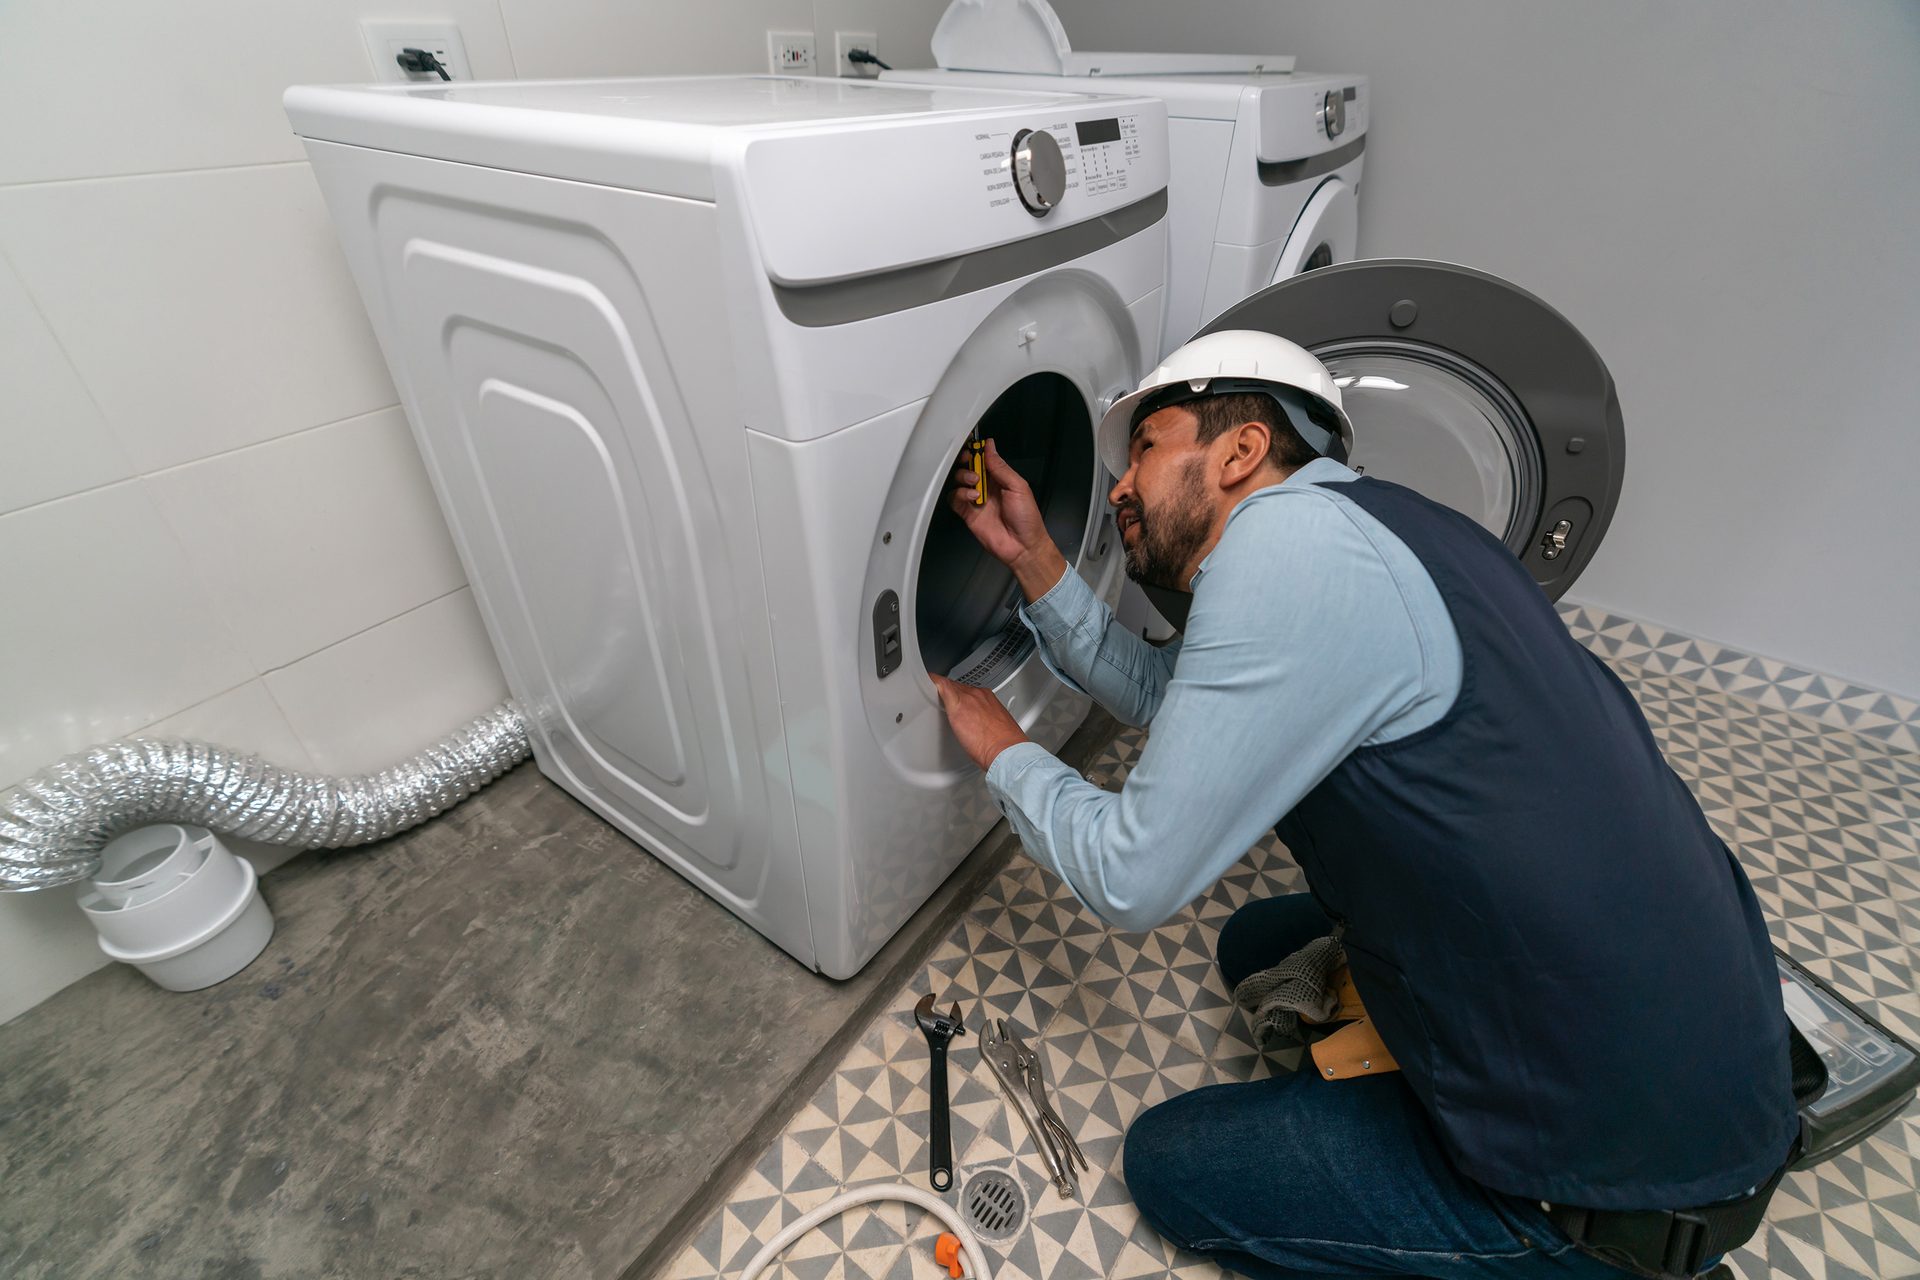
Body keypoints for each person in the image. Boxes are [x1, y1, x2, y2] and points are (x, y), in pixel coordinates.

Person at [929, 332, 1795, 1280]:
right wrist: (1036, 565)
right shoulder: (1379, 525)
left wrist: (1005, 750)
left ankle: (1542, 1242)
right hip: (1694, 1044)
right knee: (1255, 943)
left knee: (1172, 1163)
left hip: (1620, 1189)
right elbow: (1189, 704)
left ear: (1239, 451)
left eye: (1144, 447)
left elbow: (1131, 877)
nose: (1120, 487)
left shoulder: (1276, 555)